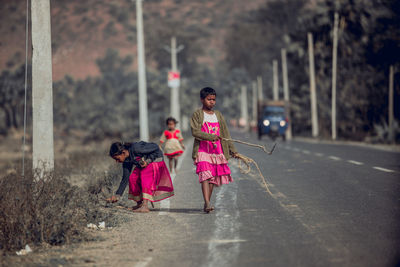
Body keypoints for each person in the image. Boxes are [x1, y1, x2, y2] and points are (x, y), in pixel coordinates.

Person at [190, 87, 238, 213]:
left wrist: (233, 150)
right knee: (205, 175)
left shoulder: (218, 115)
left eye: (214, 99)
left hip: (217, 152)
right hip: (202, 150)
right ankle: (207, 202)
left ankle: (207, 203)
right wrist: (211, 137)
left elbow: (226, 134)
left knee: (212, 179)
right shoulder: (197, 114)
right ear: (202, 100)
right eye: (209, 99)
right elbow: (195, 132)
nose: (212, 102)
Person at [106, 141, 174, 213]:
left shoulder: (136, 148)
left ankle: (145, 206)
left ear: (123, 153)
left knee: (144, 175)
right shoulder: (126, 161)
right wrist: (117, 195)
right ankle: (139, 204)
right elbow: (125, 179)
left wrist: (148, 161)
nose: (116, 161)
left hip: (156, 160)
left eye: (117, 159)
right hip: (145, 165)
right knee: (133, 178)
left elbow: (156, 147)